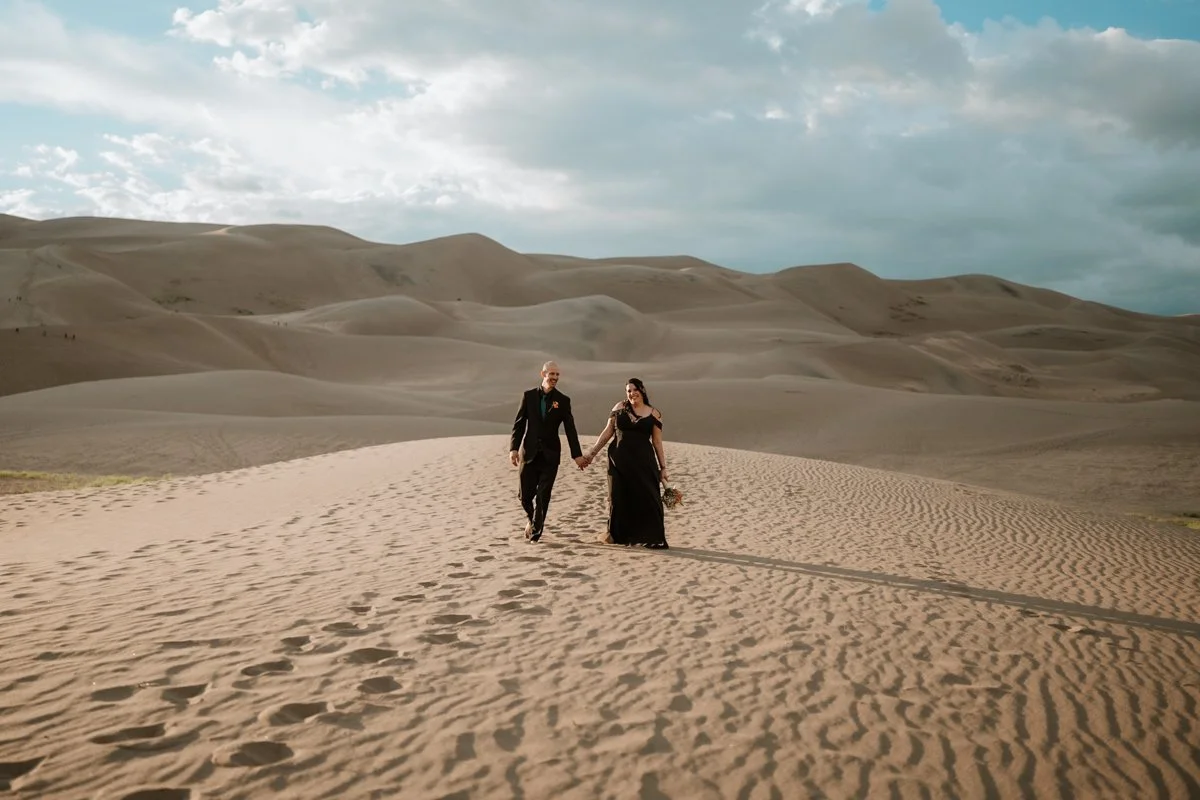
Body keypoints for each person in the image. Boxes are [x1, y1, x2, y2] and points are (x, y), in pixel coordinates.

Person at [581, 378, 669, 549]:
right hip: (618, 462)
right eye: (628, 391)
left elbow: (657, 442)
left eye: (634, 390)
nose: (631, 394)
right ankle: (618, 536)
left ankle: (653, 538)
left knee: (649, 498)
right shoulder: (619, 408)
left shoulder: (654, 414)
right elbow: (607, 433)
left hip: (644, 464)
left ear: (642, 390)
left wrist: (663, 468)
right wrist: (591, 454)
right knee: (617, 497)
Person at [509, 360, 587, 542]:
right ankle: (532, 521)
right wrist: (513, 449)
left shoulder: (563, 400)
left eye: (557, 375)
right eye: (551, 374)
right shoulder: (528, 396)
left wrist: (577, 455)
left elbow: (570, 429)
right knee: (524, 496)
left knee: (543, 495)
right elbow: (519, 425)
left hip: (550, 455)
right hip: (528, 454)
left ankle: (536, 534)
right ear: (542, 374)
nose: (555, 378)